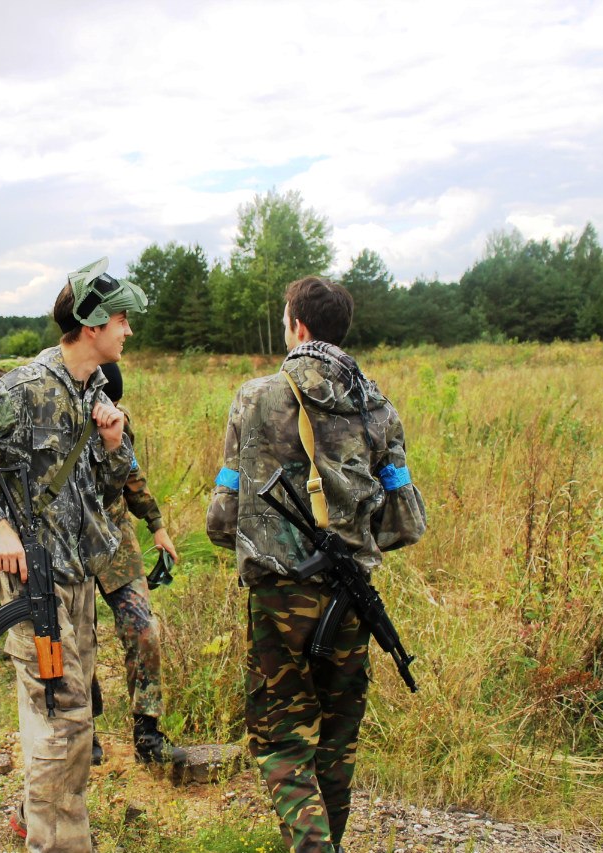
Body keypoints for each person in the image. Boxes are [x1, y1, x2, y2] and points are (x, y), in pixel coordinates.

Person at [0, 257, 146, 852]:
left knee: (72, 720)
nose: (129, 330)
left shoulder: (94, 391)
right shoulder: (21, 390)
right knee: (62, 719)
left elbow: (105, 491)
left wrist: (110, 444)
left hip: (79, 579)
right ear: (92, 324)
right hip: (35, 586)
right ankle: (57, 842)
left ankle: (40, 820)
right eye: (122, 319)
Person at [206, 276, 426, 853]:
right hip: (351, 600)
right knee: (336, 744)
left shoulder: (254, 398)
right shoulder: (379, 407)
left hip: (280, 600)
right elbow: (404, 521)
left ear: (297, 327)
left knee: (283, 741)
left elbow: (222, 515)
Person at [89, 361, 185, 766]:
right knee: (76, 641)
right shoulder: (57, 419)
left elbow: (132, 476)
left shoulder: (120, 424)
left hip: (115, 540)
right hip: (67, 543)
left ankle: (147, 734)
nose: (107, 407)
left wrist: (157, 525)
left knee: (143, 630)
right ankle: (84, 731)